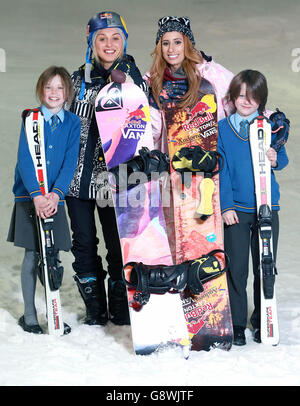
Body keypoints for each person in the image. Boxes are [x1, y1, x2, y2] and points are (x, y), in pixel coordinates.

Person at [66, 11, 147, 326]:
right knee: (84, 242)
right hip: (78, 180)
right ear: (91, 42)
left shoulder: (134, 78)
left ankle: (120, 306)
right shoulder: (76, 80)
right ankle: (95, 309)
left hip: (116, 181)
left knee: (117, 245)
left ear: (124, 42)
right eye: (102, 38)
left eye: (116, 38)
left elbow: (145, 123)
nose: (109, 44)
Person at [217, 70, 289, 345]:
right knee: (236, 268)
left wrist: (274, 157)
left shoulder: (269, 125)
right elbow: (220, 171)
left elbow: (282, 160)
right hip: (236, 209)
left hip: (267, 206)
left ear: (261, 99)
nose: (246, 101)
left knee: (264, 266)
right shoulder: (223, 128)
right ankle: (236, 322)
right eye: (241, 95)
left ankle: (262, 319)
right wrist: (226, 206)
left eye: (253, 96)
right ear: (233, 96)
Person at [7, 66, 81, 334]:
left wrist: (56, 194)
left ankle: (54, 311)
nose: (54, 93)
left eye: (60, 87)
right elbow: (25, 159)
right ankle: (29, 316)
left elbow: (70, 162)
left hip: (55, 199)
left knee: (52, 258)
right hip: (30, 197)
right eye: (49, 87)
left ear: (67, 93)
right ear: (41, 89)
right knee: (31, 255)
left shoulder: (73, 123)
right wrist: (37, 196)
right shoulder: (31, 119)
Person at [144, 16, 234, 152]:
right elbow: (152, 133)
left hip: (211, 158)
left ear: (187, 44)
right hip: (173, 162)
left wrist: (267, 120)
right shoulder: (152, 80)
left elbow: (242, 103)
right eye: (166, 43)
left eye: (177, 42)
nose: (171, 50)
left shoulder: (212, 73)